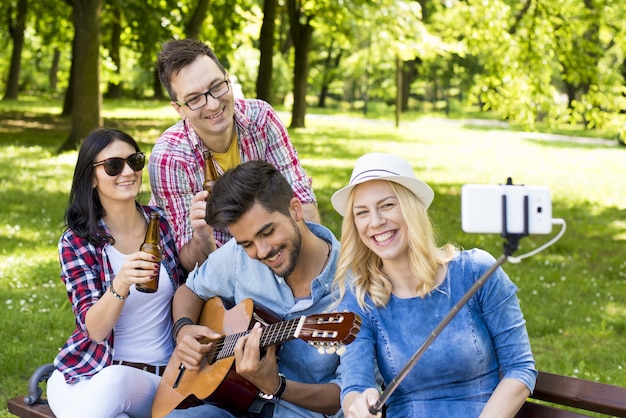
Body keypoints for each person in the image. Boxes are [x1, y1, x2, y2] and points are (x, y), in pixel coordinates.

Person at [330, 152, 537, 418]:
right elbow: (355, 387)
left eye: (387, 205)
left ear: (413, 207)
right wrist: (359, 403)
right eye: (362, 212)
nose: (376, 221)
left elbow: (520, 368)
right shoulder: (360, 301)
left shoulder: (476, 272)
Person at [164, 160, 342, 418]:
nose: (261, 251)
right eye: (246, 243)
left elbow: (347, 393)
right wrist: (183, 329)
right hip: (229, 406)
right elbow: (190, 290)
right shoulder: (238, 257)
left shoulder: (356, 283)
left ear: (295, 210)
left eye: (268, 232)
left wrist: (277, 387)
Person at [46, 128, 185, 418]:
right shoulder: (77, 242)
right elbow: (95, 331)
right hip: (85, 370)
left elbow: (190, 290)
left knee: (116, 380)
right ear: (91, 179)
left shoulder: (161, 228)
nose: (127, 172)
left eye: (133, 161)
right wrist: (121, 282)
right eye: (113, 165)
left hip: (153, 380)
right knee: (89, 393)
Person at [149, 38, 320, 272]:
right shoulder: (169, 158)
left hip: (276, 252)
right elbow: (190, 262)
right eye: (194, 99)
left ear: (227, 79)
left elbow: (300, 198)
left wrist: (314, 267)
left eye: (217, 86)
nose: (212, 105)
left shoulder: (262, 119)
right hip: (219, 271)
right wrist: (201, 237)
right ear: (179, 109)